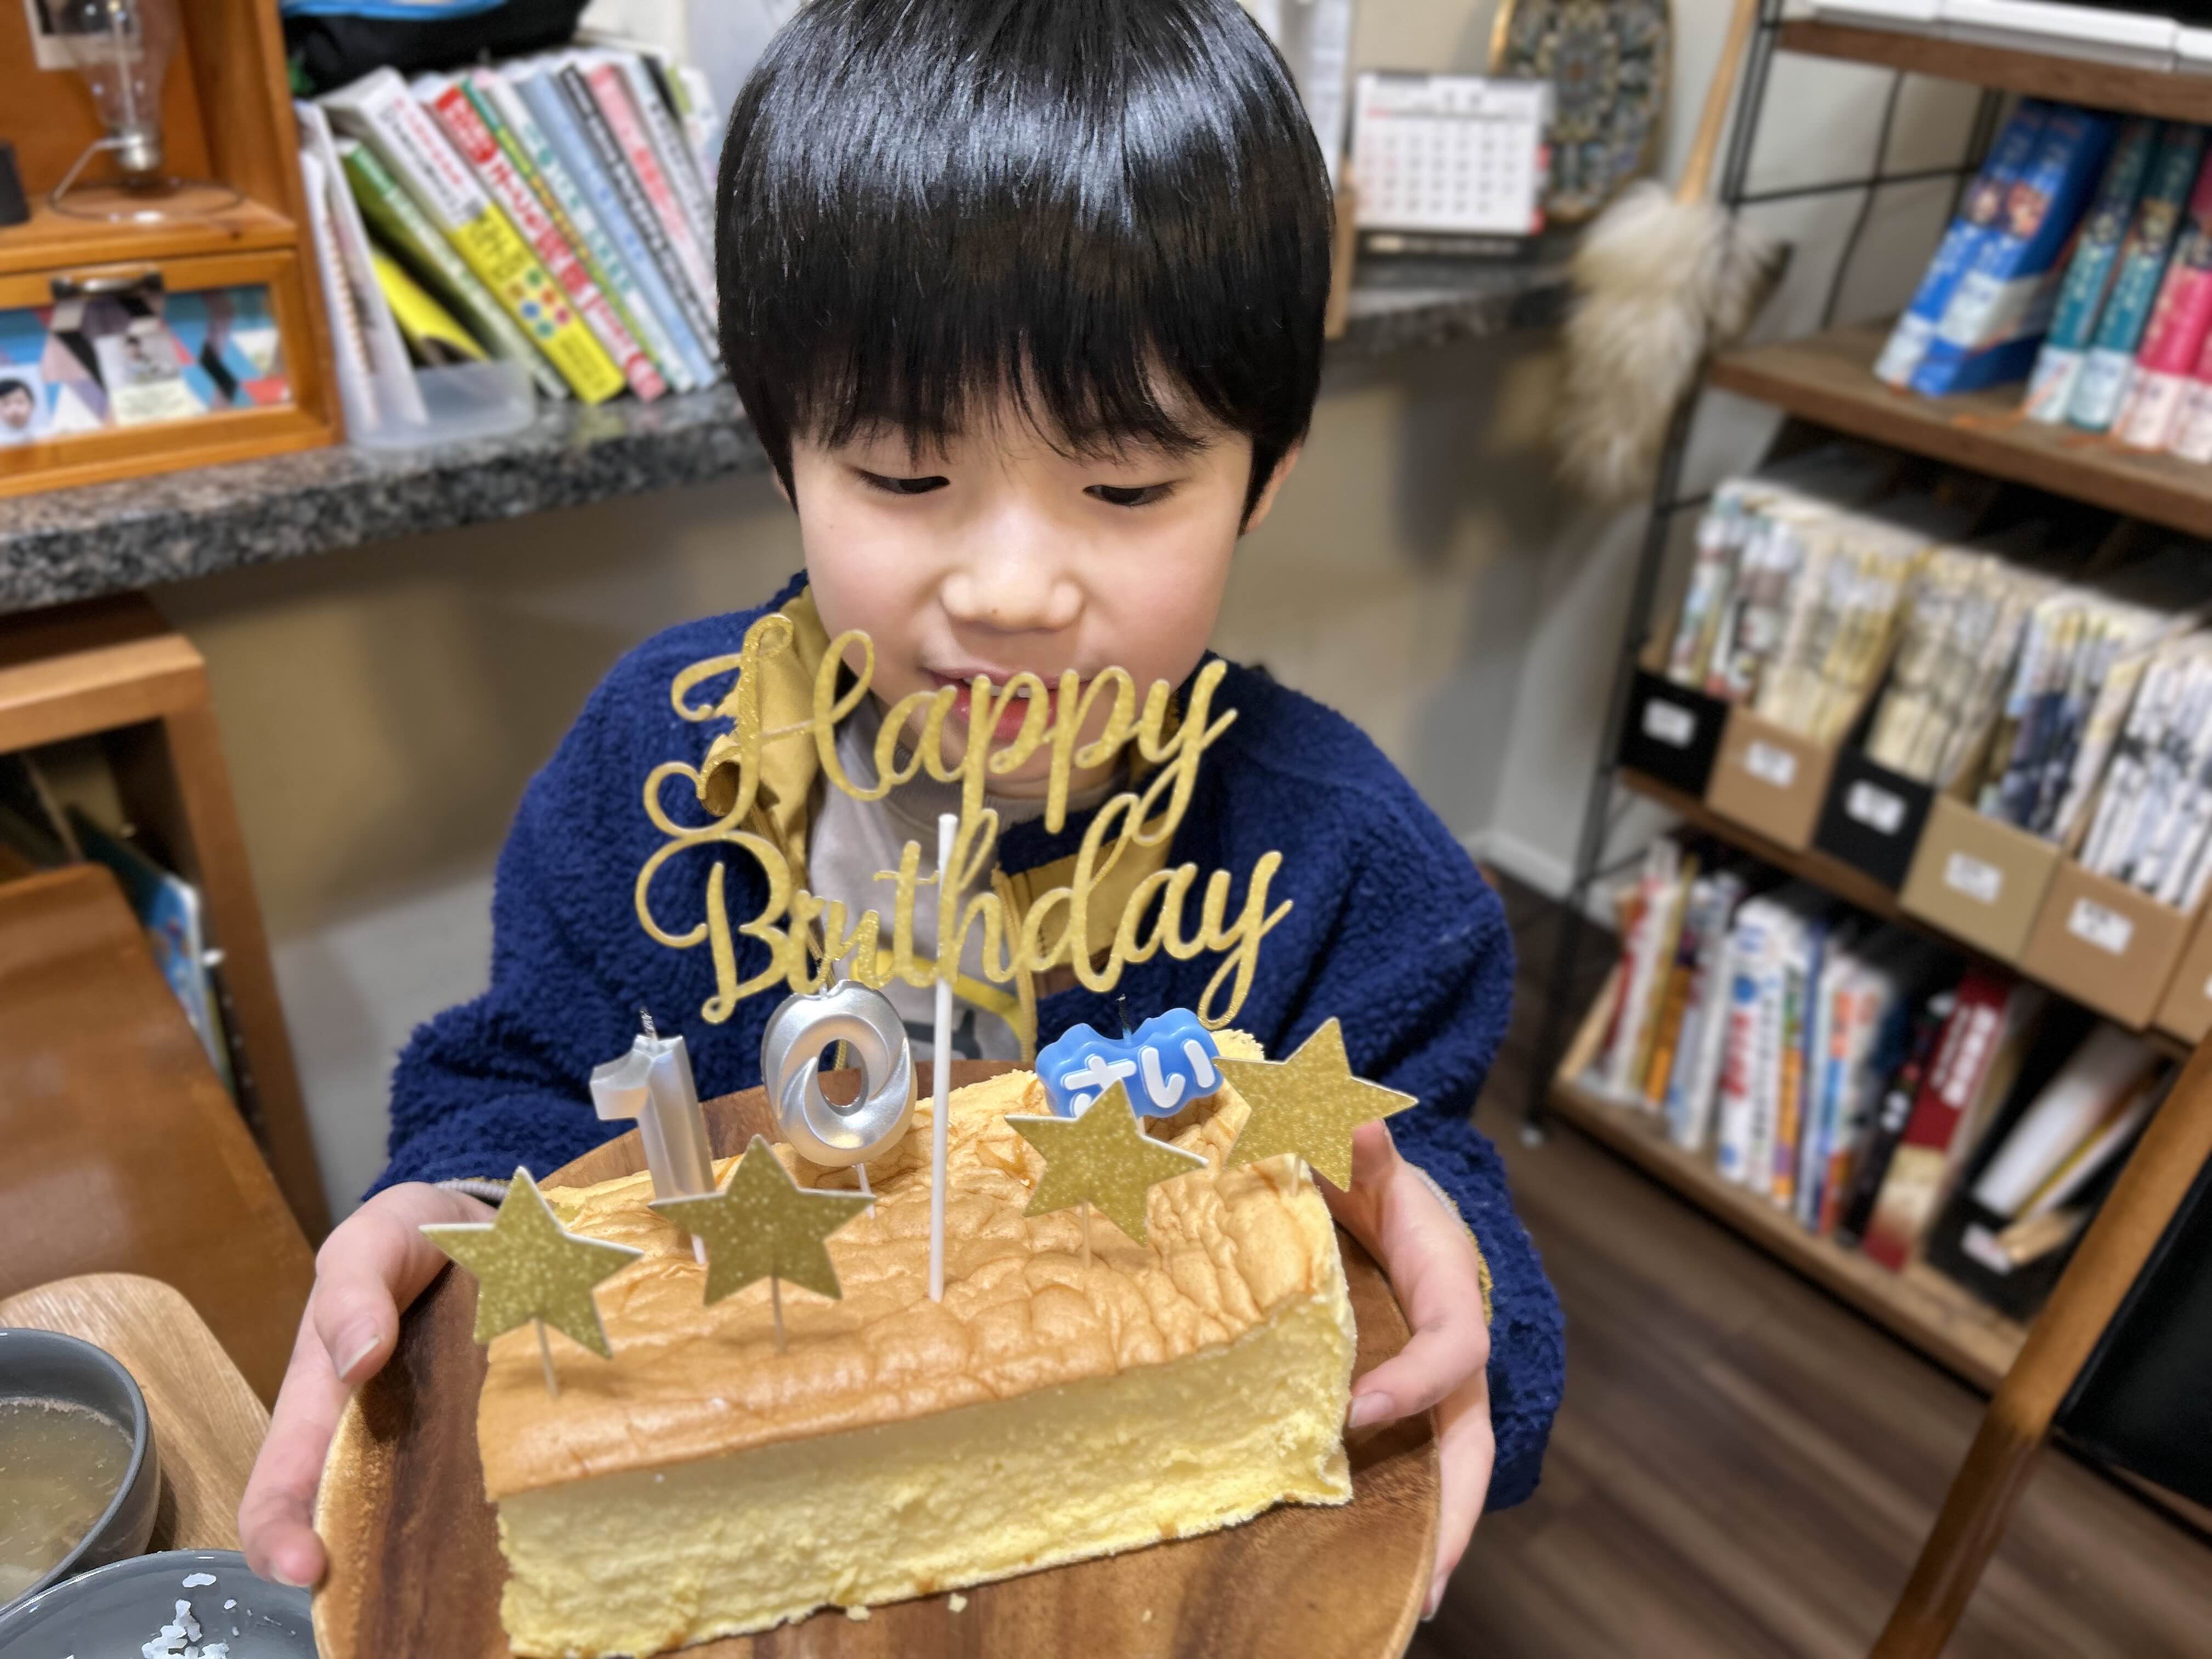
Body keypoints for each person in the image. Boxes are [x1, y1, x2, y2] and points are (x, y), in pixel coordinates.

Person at [240, 0, 1563, 1623]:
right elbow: (521, 1092)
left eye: (1127, 488)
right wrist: (441, 1213)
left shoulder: (1348, 865)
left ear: (1265, 476)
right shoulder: (659, 767)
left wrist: (1452, 1271)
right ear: (782, 451)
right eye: (905, 477)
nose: (1009, 589)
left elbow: (1431, 1186)